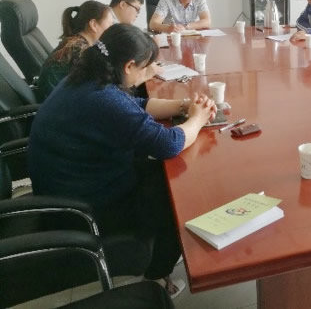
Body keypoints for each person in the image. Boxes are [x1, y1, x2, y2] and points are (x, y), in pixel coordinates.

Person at [28, 24, 217, 297]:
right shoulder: (102, 98)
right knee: (178, 193)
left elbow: (135, 107)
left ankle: (162, 257)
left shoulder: (86, 78)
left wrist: (184, 105)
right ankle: (157, 274)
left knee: (166, 173)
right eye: (145, 67)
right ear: (129, 66)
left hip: (74, 184)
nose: (147, 73)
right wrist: (198, 119)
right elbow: (168, 144)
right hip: (85, 208)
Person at [37, 0, 113, 100]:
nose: (113, 30)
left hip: (56, 98)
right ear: (94, 24)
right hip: (58, 103)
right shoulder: (79, 49)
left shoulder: (75, 42)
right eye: (110, 25)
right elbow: (99, 83)